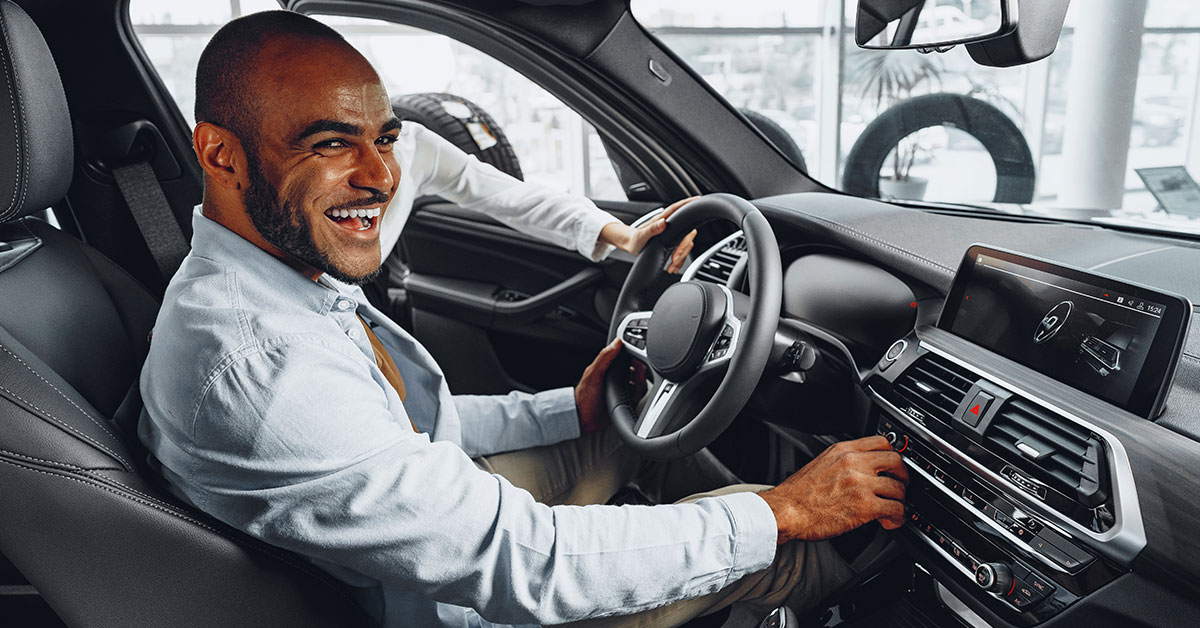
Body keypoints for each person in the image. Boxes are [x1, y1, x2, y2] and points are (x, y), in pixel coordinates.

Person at [138, 10, 908, 628]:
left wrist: (562, 411)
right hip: (453, 603)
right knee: (777, 553)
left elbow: (396, 439)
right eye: (331, 144)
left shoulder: (274, 281)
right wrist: (782, 513)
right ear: (223, 155)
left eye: (385, 139)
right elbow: (530, 565)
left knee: (622, 427)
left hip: (429, 555)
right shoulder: (264, 364)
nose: (380, 177)